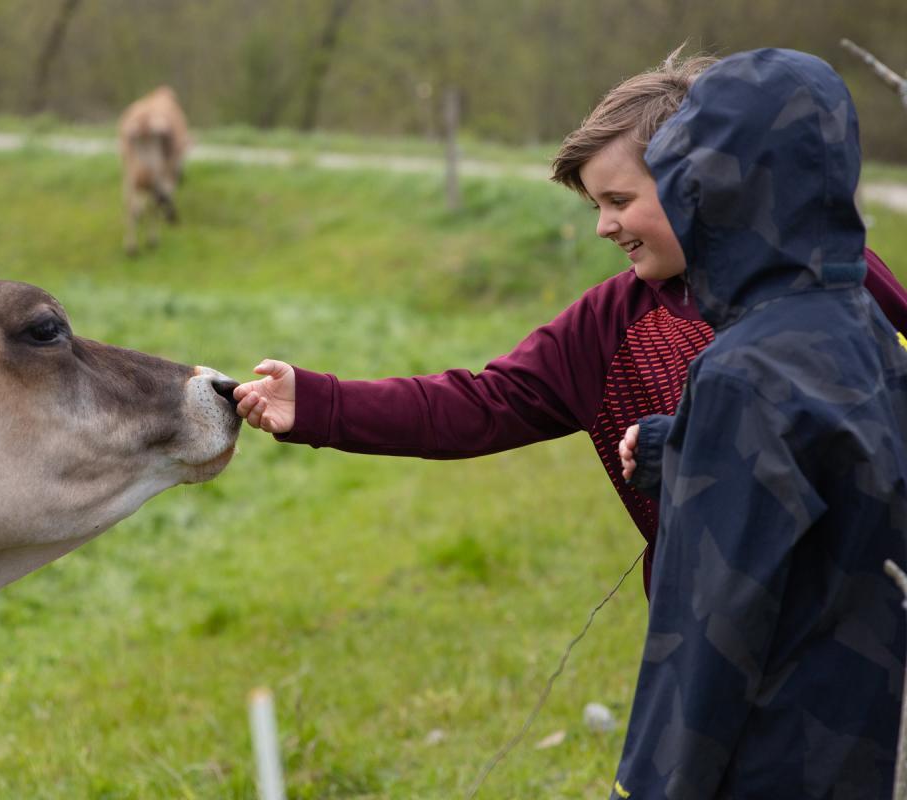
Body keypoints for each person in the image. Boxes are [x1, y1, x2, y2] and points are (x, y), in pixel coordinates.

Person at [233, 47, 907, 598]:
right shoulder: (608, 328)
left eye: (618, 200)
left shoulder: (835, 280)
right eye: (594, 205)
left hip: (869, 618)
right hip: (710, 645)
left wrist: (694, 447)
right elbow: (478, 405)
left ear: (695, 180)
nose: (604, 226)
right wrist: (321, 404)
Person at [607, 48, 907, 799]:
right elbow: (848, 481)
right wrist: (684, 449)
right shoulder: (865, 328)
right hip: (870, 743)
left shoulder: (744, 374)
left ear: (704, 187)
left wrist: (648, 788)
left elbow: (707, 639)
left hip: (778, 763)